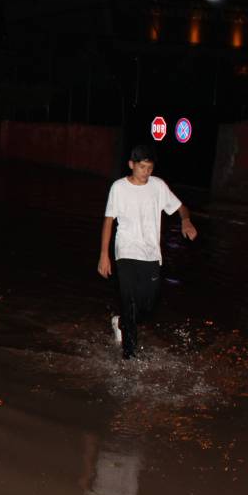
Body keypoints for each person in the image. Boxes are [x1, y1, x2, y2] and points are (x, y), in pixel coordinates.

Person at [97, 144, 197, 359]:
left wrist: (186, 220)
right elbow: (108, 220)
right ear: (131, 165)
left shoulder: (158, 186)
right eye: (142, 167)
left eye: (150, 168)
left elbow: (180, 207)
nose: (146, 173)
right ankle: (129, 359)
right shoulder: (119, 188)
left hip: (151, 255)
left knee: (148, 307)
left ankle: (121, 323)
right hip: (125, 252)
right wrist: (104, 255)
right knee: (130, 303)